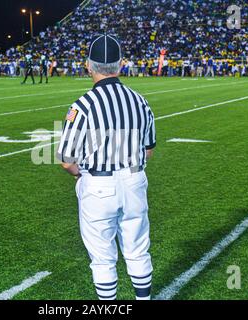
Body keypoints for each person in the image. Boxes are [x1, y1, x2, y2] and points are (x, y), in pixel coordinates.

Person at [57, 34, 156, 301]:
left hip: (98, 185)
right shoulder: (140, 101)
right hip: (135, 180)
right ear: (120, 64)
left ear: (88, 66)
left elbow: (66, 159)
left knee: (102, 258)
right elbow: (148, 148)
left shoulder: (82, 106)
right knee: (137, 250)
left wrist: (81, 176)